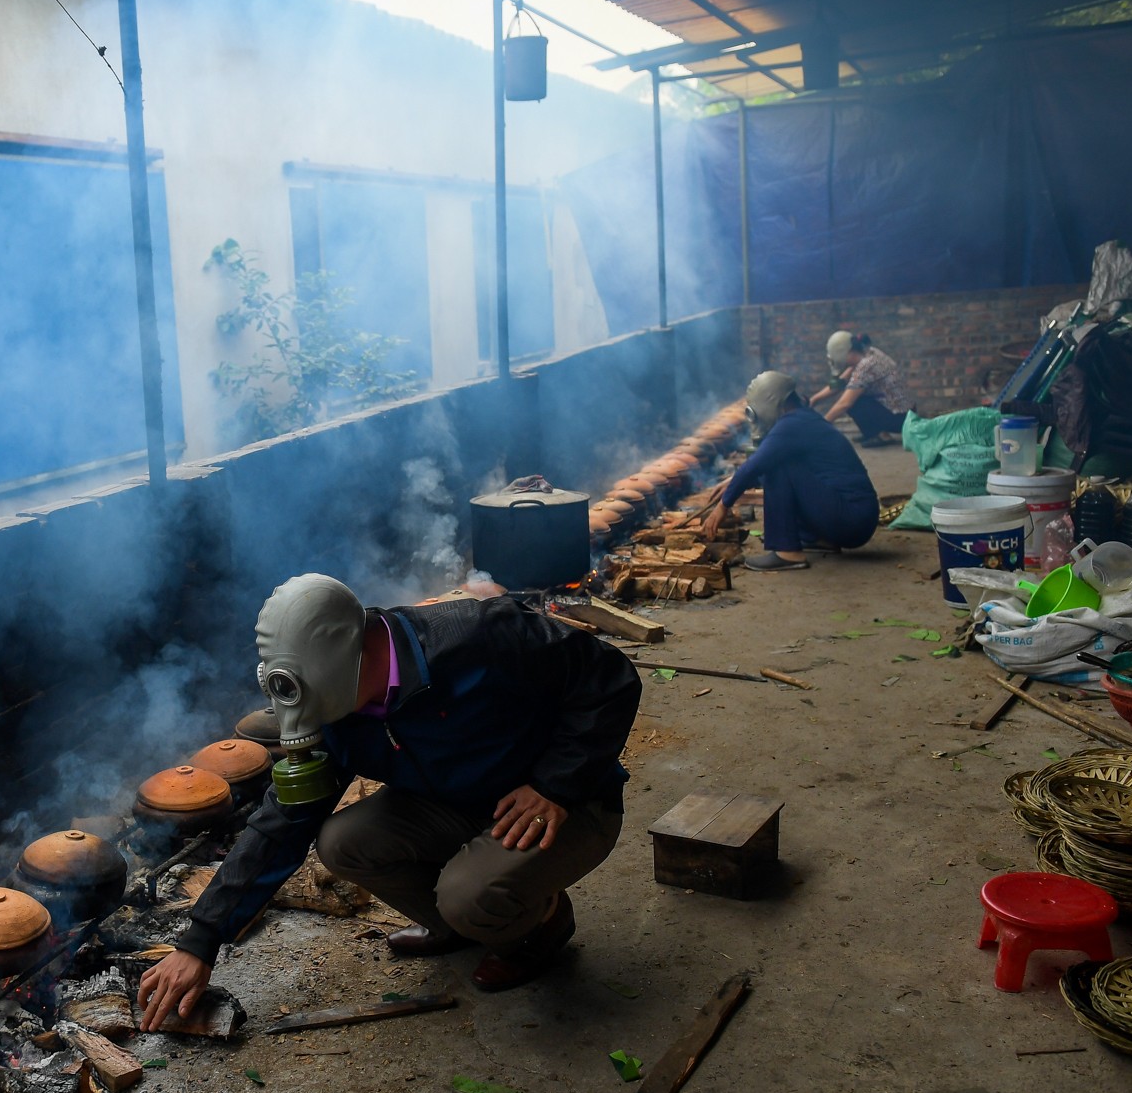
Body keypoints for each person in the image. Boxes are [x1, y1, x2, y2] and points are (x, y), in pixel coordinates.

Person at [137, 574, 642, 1029]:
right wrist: (199, 941)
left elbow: (611, 679)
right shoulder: (334, 705)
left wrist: (557, 783)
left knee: (469, 894)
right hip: (455, 801)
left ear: (345, 654)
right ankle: (460, 926)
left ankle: (541, 928)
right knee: (342, 842)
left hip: (565, 803)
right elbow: (283, 820)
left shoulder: (483, 636)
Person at [703, 370, 880, 573]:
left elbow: (759, 464)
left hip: (851, 519)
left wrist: (722, 506)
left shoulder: (790, 425)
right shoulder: (803, 418)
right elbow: (761, 466)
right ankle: (818, 539)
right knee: (777, 463)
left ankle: (787, 553)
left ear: (772, 403)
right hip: (856, 518)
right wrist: (734, 481)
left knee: (778, 466)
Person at [809, 330, 912, 446]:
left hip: (899, 418)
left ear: (846, 353)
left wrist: (820, 426)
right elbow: (839, 383)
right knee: (853, 393)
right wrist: (815, 399)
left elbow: (844, 404)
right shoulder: (868, 352)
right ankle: (874, 432)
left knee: (854, 401)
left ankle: (880, 435)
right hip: (904, 412)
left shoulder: (866, 366)